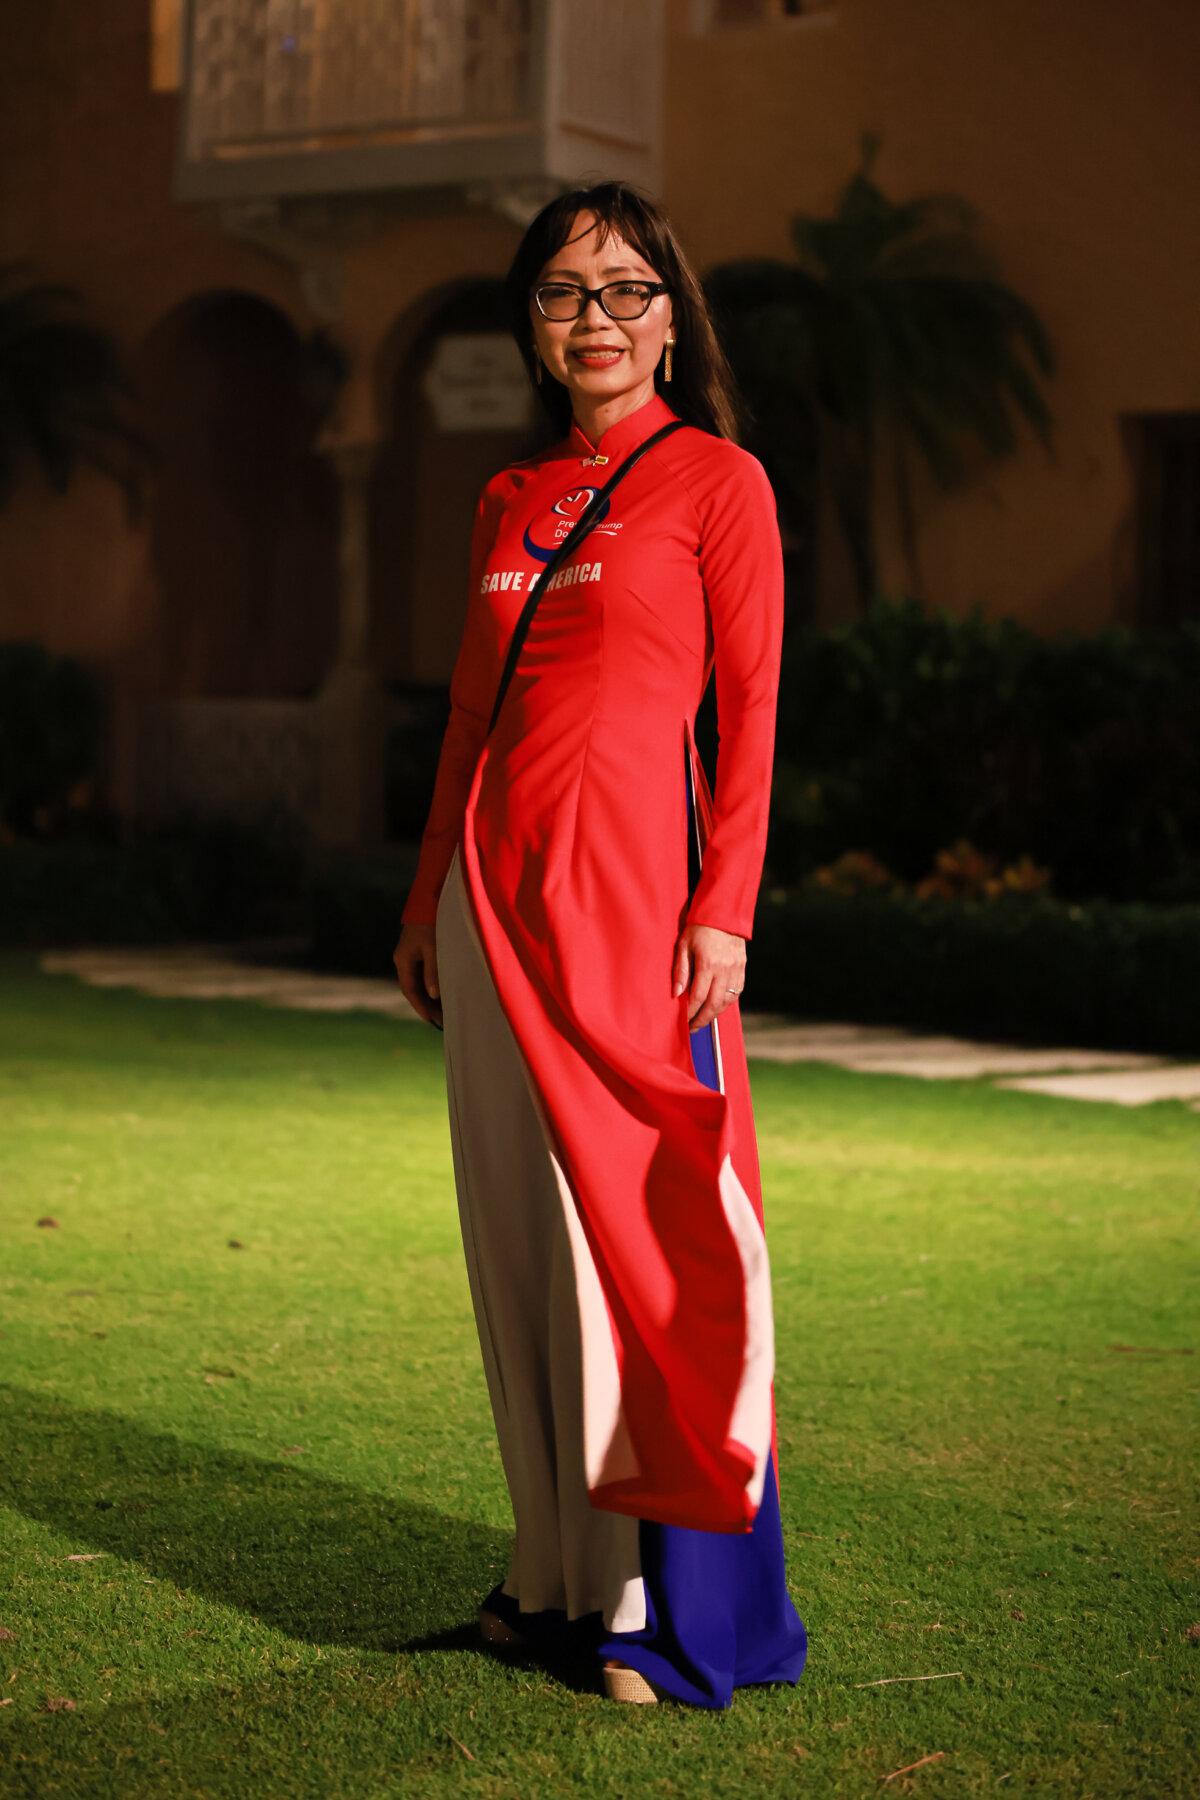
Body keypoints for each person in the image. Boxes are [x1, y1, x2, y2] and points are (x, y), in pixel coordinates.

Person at [393, 180, 807, 1710]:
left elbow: (754, 712)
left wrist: (728, 908)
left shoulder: (719, 484)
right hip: (489, 911)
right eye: (568, 292)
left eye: (628, 289)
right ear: (533, 321)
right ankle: (548, 1575)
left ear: (673, 316)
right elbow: (467, 720)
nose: (598, 318)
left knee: (629, 1247)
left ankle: (651, 1600)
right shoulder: (510, 502)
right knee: (515, 1249)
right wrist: (425, 892)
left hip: (641, 914)